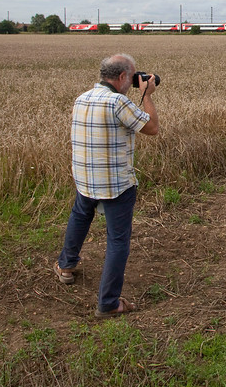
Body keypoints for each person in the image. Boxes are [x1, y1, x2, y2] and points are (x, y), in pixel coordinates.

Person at [54, 53, 159, 317]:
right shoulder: (118, 102)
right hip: (115, 185)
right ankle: (109, 303)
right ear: (123, 77)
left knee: (80, 215)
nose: (134, 81)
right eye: (133, 77)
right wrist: (147, 94)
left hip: (85, 178)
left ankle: (66, 266)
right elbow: (152, 128)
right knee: (118, 240)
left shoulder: (82, 97)